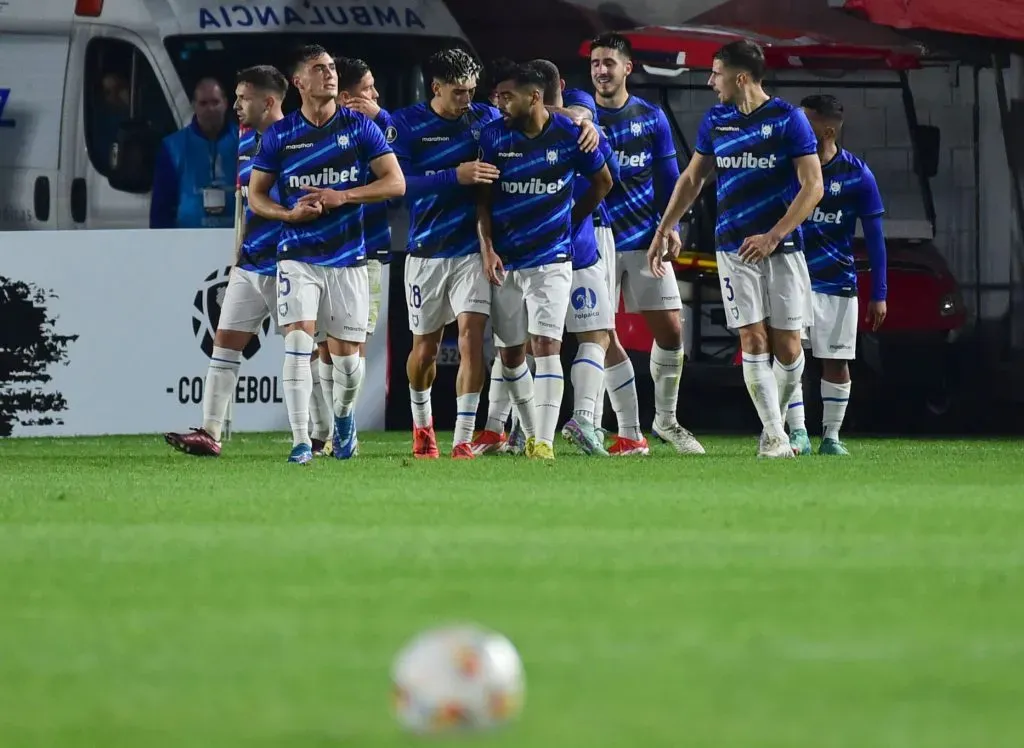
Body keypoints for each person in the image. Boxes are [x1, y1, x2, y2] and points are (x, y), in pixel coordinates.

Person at [650, 39, 825, 458]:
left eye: (716, 73)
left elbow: (813, 186)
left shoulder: (788, 120)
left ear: (740, 77)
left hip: (782, 249)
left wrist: (773, 235)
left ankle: (777, 426)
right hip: (732, 249)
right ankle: (774, 437)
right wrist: (665, 227)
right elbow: (693, 178)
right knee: (751, 337)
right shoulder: (716, 120)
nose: (711, 82)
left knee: (789, 347)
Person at [248, 44, 405, 464]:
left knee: (348, 365)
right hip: (297, 255)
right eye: (319, 69)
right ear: (299, 82)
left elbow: (396, 183)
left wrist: (345, 195)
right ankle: (301, 440)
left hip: (349, 257)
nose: (330, 74)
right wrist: (287, 214)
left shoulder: (358, 127)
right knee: (298, 344)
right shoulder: (280, 135)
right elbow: (256, 195)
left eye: (332, 67)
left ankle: (343, 420)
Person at [477, 63, 613, 459]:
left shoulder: (571, 134)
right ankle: (526, 429)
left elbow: (604, 181)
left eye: (507, 96)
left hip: (553, 258)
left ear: (534, 97)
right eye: (498, 96)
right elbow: (482, 201)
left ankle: (543, 441)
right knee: (512, 354)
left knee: (547, 345)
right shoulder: (493, 135)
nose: (499, 103)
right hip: (507, 259)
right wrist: (487, 248)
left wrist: (570, 220)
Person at [589, 32, 705, 456]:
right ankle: (625, 429)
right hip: (595, 242)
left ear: (627, 68)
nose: (602, 70)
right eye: (596, 63)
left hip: (644, 240)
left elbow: (668, 182)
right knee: (600, 334)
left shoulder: (650, 117)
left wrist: (671, 227)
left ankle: (667, 420)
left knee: (672, 331)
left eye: (609, 63)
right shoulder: (580, 115)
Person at [164, 66, 288, 457]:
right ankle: (210, 432)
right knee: (224, 344)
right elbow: (244, 206)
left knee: (313, 353)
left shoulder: (298, 139)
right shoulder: (247, 139)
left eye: (242, 97)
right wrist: (238, 254)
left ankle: (323, 436)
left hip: (292, 263)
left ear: (268, 101)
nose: (236, 105)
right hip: (251, 263)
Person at [390, 49, 503, 460]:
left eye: (472, 91)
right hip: (426, 251)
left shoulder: (486, 120)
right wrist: (454, 176)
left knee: (474, 338)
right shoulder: (406, 124)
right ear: (435, 88)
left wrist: (579, 117)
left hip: (471, 249)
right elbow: (398, 184)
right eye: (459, 92)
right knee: (426, 350)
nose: (467, 100)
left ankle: (462, 439)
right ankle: (423, 427)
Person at [785, 94, 887, 456]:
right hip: (794, 277)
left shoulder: (857, 174)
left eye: (806, 122)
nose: (796, 129)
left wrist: (880, 293)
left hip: (838, 282)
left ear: (827, 130)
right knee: (789, 357)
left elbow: (874, 237)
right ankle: (797, 433)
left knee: (837, 362)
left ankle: (831, 437)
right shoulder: (789, 167)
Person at [307, 57, 397, 456]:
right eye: (369, 90)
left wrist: (383, 115)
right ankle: (328, 430)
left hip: (368, 249)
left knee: (350, 344)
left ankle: (344, 427)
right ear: (347, 97)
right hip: (318, 253)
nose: (376, 97)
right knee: (322, 345)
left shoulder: (372, 132)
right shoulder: (314, 134)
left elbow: (401, 170)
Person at [150, 77, 238, 229]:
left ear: (225, 104)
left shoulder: (246, 141)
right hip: (188, 241)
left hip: (236, 239)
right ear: (194, 106)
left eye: (215, 102)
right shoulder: (173, 146)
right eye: (203, 103)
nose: (210, 109)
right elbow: (161, 208)